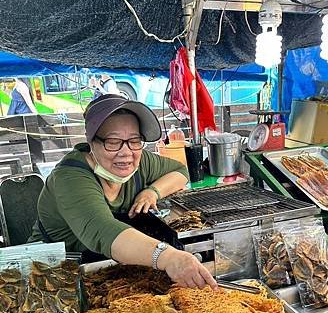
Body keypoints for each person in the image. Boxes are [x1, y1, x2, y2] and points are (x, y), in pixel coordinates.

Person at [29, 94, 217, 290]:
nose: (126, 152)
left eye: (134, 140)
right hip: (53, 272)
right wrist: (168, 257)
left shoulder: (140, 161)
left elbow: (180, 171)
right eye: (112, 141)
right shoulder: (69, 178)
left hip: (108, 266)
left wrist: (153, 192)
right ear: (91, 142)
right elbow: (103, 230)